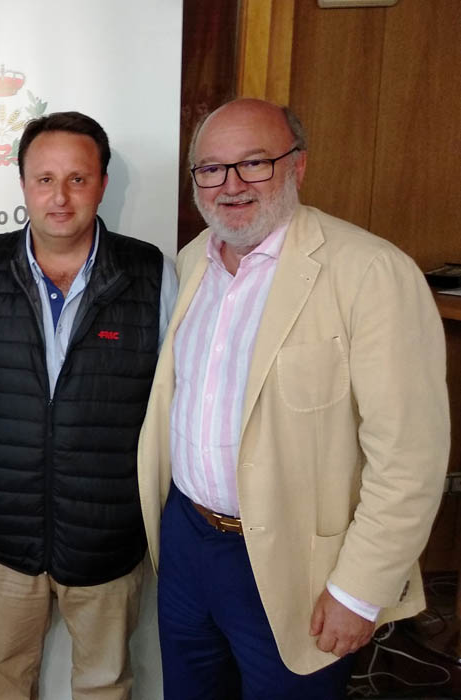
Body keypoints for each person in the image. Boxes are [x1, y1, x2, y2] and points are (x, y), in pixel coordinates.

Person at [137, 98, 450, 699]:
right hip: (188, 543)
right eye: (210, 168)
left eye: (254, 164)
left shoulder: (371, 272)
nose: (230, 185)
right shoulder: (190, 263)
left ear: (298, 166)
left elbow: (410, 458)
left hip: (294, 566)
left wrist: (358, 589)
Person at [0, 111, 177, 699]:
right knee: (8, 672)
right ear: (22, 184)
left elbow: (175, 395)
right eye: (45, 179)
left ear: (103, 182)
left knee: (104, 681)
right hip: (6, 527)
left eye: (77, 178)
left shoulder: (150, 273)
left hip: (109, 530)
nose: (60, 197)